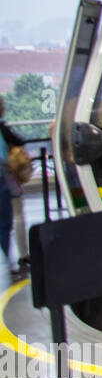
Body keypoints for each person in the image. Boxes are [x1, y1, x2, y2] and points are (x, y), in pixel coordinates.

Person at [0, 97, 29, 276]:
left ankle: (9, 261)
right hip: (4, 177)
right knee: (11, 219)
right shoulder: (3, 128)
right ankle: (21, 256)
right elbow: (19, 140)